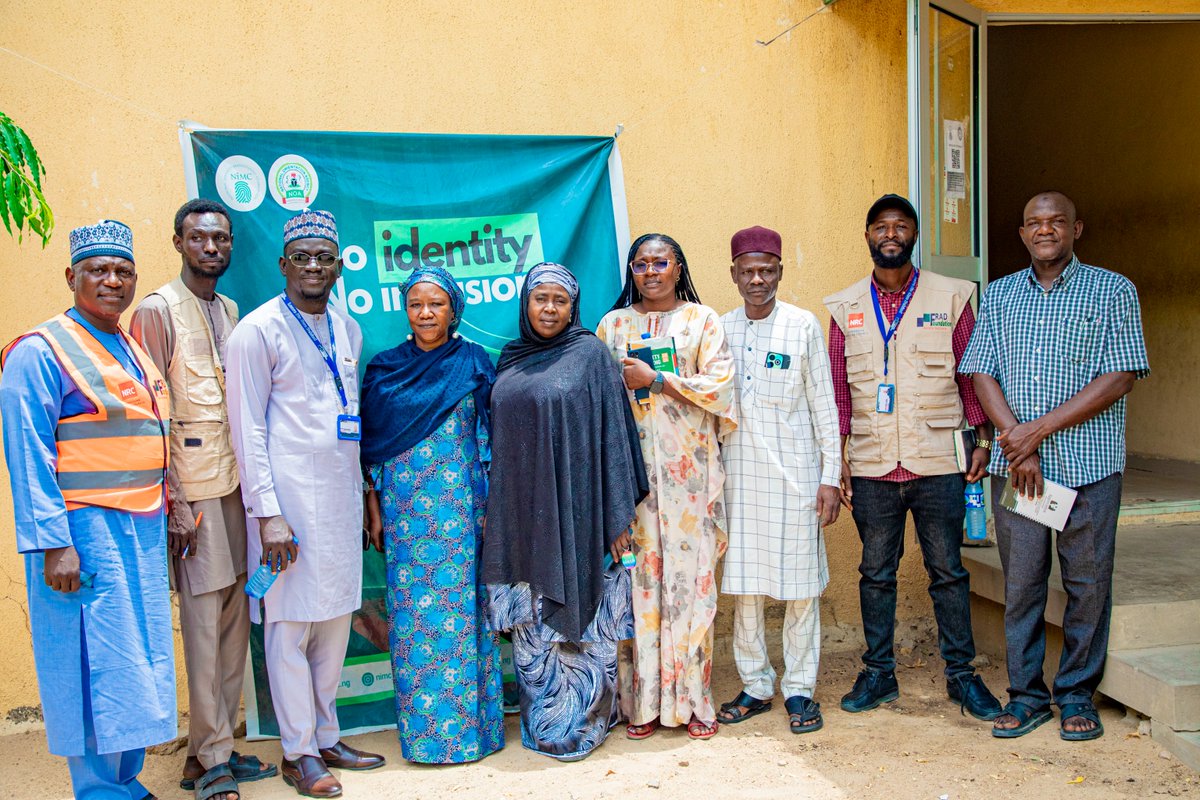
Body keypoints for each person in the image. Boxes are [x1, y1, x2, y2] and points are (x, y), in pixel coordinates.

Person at [960, 191, 1149, 741]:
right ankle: (1026, 696)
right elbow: (981, 372)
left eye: (1056, 222)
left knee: (1088, 584)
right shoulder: (998, 296)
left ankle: (1075, 695)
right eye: (1034, 224)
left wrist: (1033, 433)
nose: (1045, 231)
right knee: (1023, 584)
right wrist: (1017, 446)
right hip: (1023, 471)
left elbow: (1120, 377)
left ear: (1076, 229)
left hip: (1087, 466)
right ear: (1021, 234)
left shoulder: (1113, 290)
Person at [0, 220, 175, 799]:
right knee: (90, 658)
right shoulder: (40, 350)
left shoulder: (128, 345)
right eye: (98, 270)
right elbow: (28, 454)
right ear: (71, 276)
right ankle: (98, 790)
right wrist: (54, 543)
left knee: (131, 660)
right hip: (83, 531)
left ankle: (124, 783)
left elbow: (151, 433)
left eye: (123, 271)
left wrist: (173, 508)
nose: (112, 281)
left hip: (139, 526)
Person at [823, 194, 1001, 721]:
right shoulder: (844, 306)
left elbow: (971, 373)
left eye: (902, 226)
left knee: (947, 571)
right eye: (882, 226)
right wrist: (839, 460)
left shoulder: (951, 297)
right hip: (873, 464)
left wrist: (983, 438)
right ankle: (878, 674)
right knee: (876, 572)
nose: (891, 234)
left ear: (915, 236)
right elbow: (836, 391)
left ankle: (962, 677)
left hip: (939, 461)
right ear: (868, 236)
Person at [227, 210, 384, 798]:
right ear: (284, 264)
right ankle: (297, 752)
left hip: (340, 500)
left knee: (334, 622)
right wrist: (267, 515)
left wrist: (366, 492)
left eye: (325, 256)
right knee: (290, 627)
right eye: (303, 257)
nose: (314, 266)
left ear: (339, 265)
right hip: (286, 506)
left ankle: (325, 734)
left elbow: (352, 420)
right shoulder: (258, 331)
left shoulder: (347, 328)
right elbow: (248, 430)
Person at [130, 199, 274, 800]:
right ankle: (211, 755)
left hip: (237, 484)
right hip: (194, 492)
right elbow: (149, 413)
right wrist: (176, 502)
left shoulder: (230, 309)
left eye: (220, 238)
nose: (211, 247)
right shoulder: (157, 312)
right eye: (198, 238)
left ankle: (211, 749)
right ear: (178, 243)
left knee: (236, 613)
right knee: (201, 620)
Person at [482, 262, 648, 760]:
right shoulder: (511, 359)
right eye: (540, 298)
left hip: (582, 515)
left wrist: (617, 515)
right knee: (534, 626)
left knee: (587, 623)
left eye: (559, 300)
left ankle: (589, 721)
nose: (549, 308)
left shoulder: (591, 356)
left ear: (572, 307)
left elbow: (615, 434)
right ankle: (543, 723)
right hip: (522, 517)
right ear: (525, 305)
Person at [359, 265, 505, 764]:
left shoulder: (474, 362)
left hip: (464, 514)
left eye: (436, 304)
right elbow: (372, 450)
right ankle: (426, 740)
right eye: (416, 304)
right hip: (405, 520)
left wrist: (490, 507)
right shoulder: (384, 370)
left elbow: (488, 438)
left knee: (467, 618)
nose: (425, 313)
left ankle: (474, 735)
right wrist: (373, 505)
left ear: (453, 310)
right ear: (405, 309)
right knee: (414, 622)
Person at [596, 234, 736, 741]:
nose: (651, 271)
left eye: (661, 262)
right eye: (641, 263)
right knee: (642, 589)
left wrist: (656, 380)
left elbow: (719, 388)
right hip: (634, 482)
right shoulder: (612, 326)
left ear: (679, 267)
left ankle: (695, 703)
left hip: (690, 479)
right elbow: (599, 401)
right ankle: (645, 706)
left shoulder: (703, 321)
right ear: (631, 270)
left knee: (691, 587)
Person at [716, 226, 841, 735]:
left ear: (781, 272)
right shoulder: (719, 328)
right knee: (745, 589)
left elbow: (825, 407)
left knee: (801, 589)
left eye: (767, 270)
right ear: (733, 275)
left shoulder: (802, 325)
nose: (757, 279)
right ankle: (756, 684)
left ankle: (800, 688)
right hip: (738, 482)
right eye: (747, 271)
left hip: (797, 481)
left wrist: (830, 477)